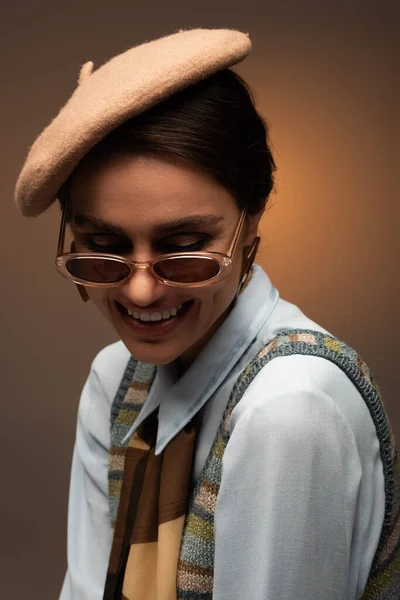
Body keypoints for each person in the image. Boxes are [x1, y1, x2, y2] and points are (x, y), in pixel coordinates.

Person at [14, 28, 399, 600]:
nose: (142, 292)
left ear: (253, 220)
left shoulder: (289, 410)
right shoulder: (115, 382)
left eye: (186, 246)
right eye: (105, 248)